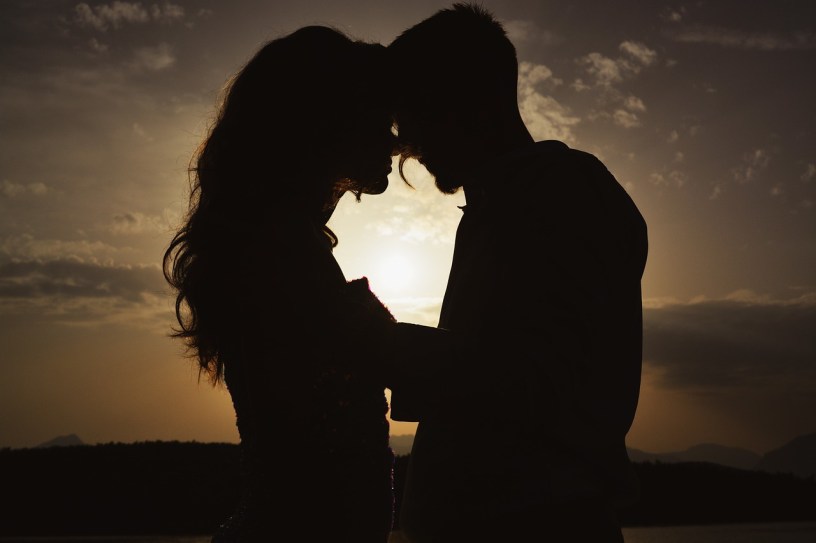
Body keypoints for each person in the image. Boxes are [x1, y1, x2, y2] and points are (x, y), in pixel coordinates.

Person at [387, 3, 649, 542]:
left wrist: (381, 347)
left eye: (414, 112)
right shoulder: (500, 204)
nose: (405, 139)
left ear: (467, 100)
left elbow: (540, 383)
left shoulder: (564, 193)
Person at [163, 26, 402, 542]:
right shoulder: (280, 253)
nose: (394, 139)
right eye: (381, 120)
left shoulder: (282, 244)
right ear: (328, 122)